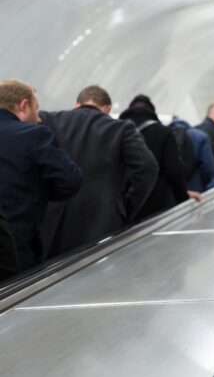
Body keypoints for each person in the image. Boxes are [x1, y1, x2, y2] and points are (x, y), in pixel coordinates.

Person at [39, 86, 158, 258]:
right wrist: (126, 206)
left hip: (56, 223)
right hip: (104, 221)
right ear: (107, 108)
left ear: (76, 104)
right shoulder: (121, 128)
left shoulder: (50, 120)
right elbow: (148, 167)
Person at [0, 79, 82, 277]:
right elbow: (70, 181)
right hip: (16, 246)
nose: (39, 119)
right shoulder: (34, 135)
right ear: (23, 105)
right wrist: (38, 189)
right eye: (37, 110)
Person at [119, 94, 196, 221]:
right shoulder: (163, 132)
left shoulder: (116, 131)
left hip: (123, 205)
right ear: (152, 112)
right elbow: (174, 171)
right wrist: (183, 198)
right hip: (157, 204)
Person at [169, 118, 214, 192]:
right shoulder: (200, 136)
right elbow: (208, 167)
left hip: (174, 190)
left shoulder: (164, 135)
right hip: (197, 188)